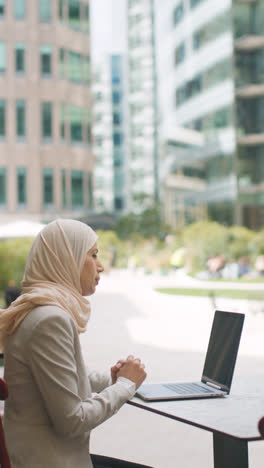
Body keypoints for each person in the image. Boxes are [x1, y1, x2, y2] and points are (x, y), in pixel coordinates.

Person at [0, 219, 153, 468]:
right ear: (66, 259)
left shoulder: (36, 309)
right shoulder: (50, 319)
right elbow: (73, 421)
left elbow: (62, 379)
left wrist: (112, 379)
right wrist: (125, 386)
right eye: (93, 255)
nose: (101, 266)